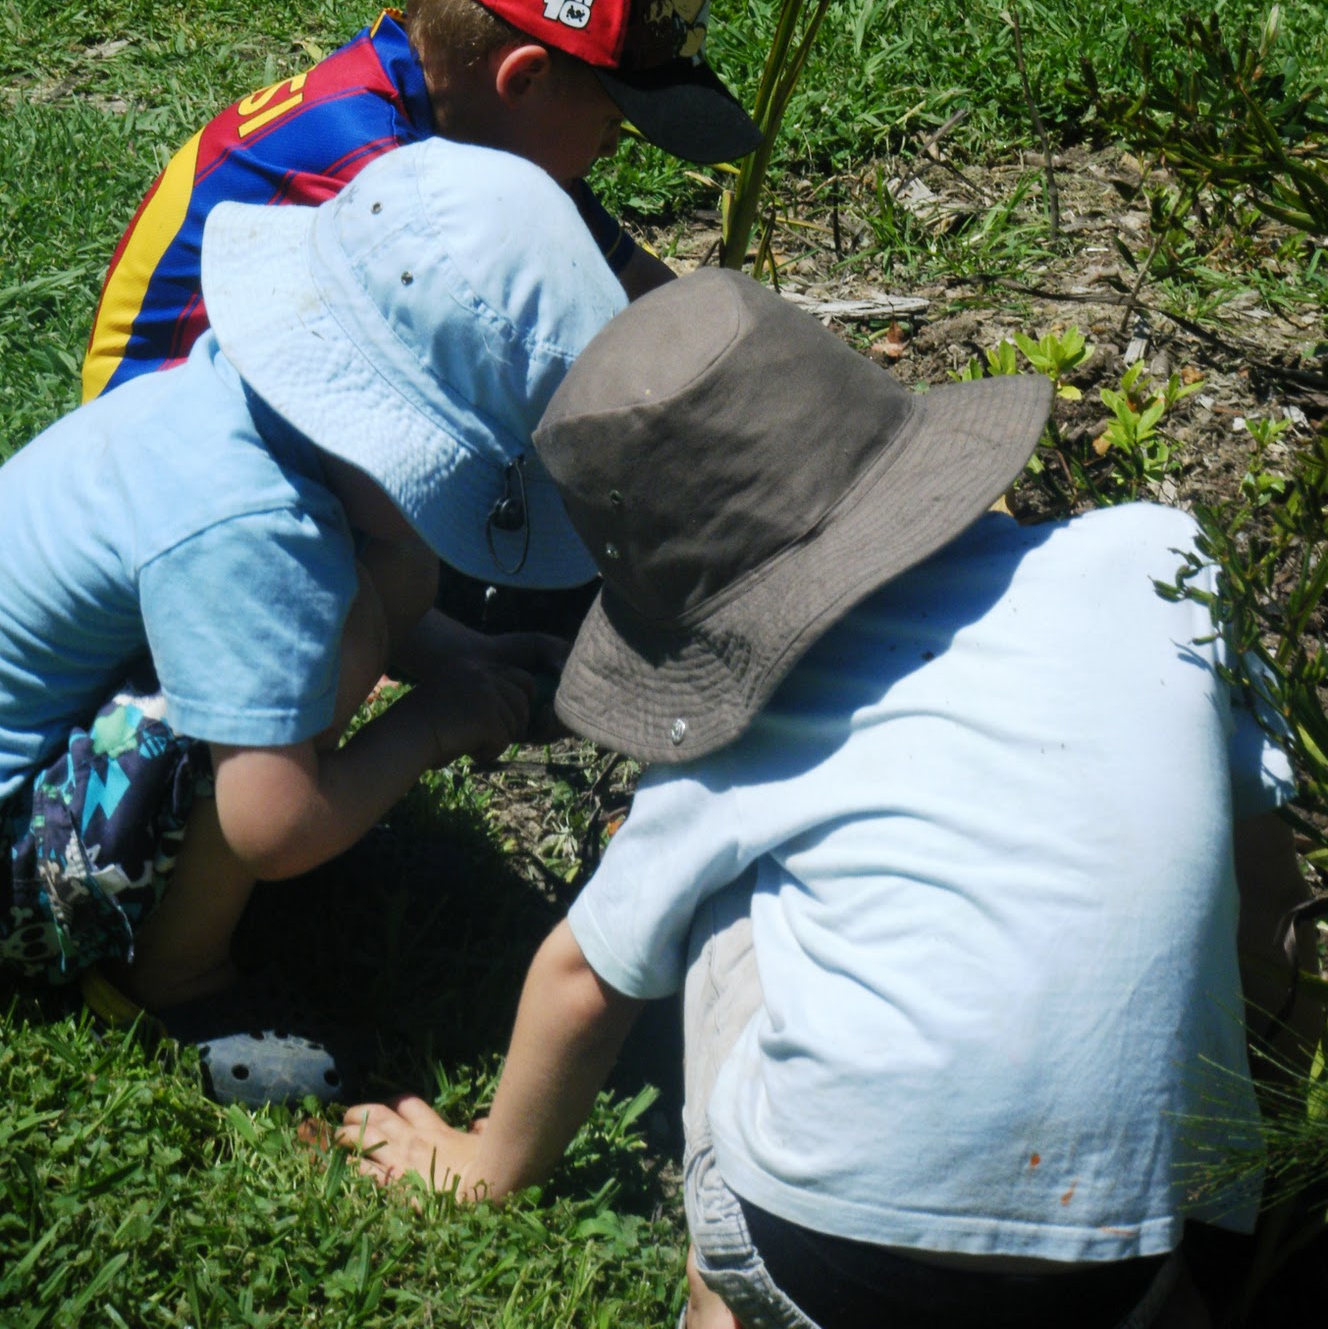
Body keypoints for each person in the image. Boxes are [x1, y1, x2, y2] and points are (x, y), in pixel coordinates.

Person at [339, 271, 1312, 1329]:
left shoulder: (740, 732)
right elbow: (1272, 904)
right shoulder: (1154, 561)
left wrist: (484, 1160)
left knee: (723, 910)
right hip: (1151, 1248)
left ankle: (720, 1307)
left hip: (839, 1266)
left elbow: (582, 979)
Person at [0, 137, 625, 1106]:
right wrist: (429, 726)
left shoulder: (240, 408)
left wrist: (467, 658)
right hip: (10, 860)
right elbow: (273, 827)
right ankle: (170, 978)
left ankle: (179, 911)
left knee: (365, 595)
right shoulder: (254, 528)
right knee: (345, 636)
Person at [80, 0, 760, 404]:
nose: (612, 147)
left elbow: (642, 296)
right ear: (523, 79)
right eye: (614, 122)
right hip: (166, 456)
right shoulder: (370, 175)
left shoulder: (468, 116)